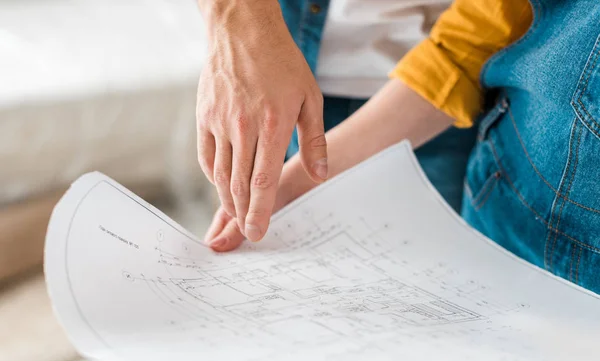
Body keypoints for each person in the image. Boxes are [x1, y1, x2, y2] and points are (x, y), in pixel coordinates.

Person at [202, 0, 600, 295]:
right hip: (504, 218)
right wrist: (234, 20)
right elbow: (469, 45)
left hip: (451, 133)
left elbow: (471, 45)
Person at [195, 0, 478, 244]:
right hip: (270, 90)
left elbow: (485, 31)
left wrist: (297, 183)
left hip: (437, 112)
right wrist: (230, 21)